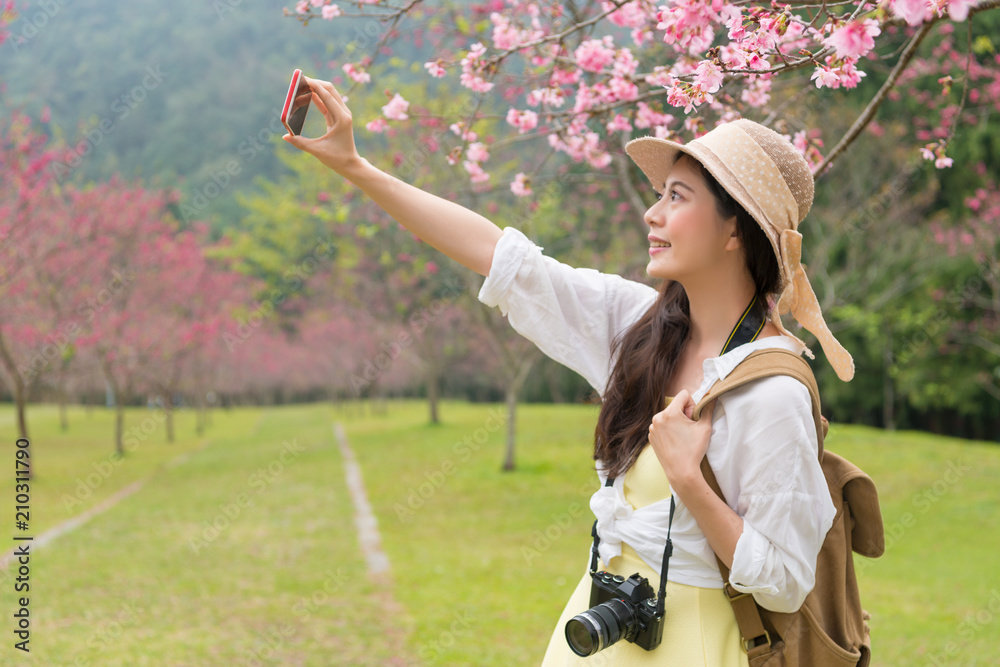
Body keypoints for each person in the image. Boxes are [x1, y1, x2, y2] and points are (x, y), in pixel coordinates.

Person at [284, 77, 856, 666]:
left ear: (736, 228)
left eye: (677, 197)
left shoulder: (772, 391)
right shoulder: (642, 327)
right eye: (660, 194)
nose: (651, 212)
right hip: (597, 633)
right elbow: (502, 257)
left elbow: (785, 580)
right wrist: (355, 166)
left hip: (697, 646)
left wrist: (689, 479)